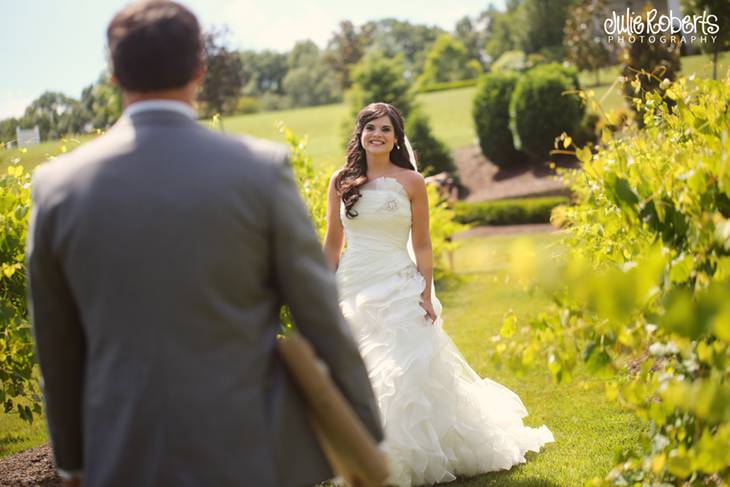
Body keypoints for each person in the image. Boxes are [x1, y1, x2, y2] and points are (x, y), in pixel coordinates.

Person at [26, 2, 382, 486]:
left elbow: (56, 346)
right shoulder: (260, 170)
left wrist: (71, 459)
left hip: (121, 451)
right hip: (247, 446)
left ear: (113, 74)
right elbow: (318, 311)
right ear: (199, 68)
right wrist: (364, 426)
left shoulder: (56, 186)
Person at [324, 102, 554, 486]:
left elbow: (424, 244)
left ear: (397, 138)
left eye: (385, 129)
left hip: (398, 282)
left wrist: (426, 292)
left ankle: (401, 454)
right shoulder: (340, 181)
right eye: (370, 128)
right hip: (353, 283)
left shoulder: (411, 182)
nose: (377, 135)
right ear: (360, 134)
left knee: (404, 368)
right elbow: (333, 243)